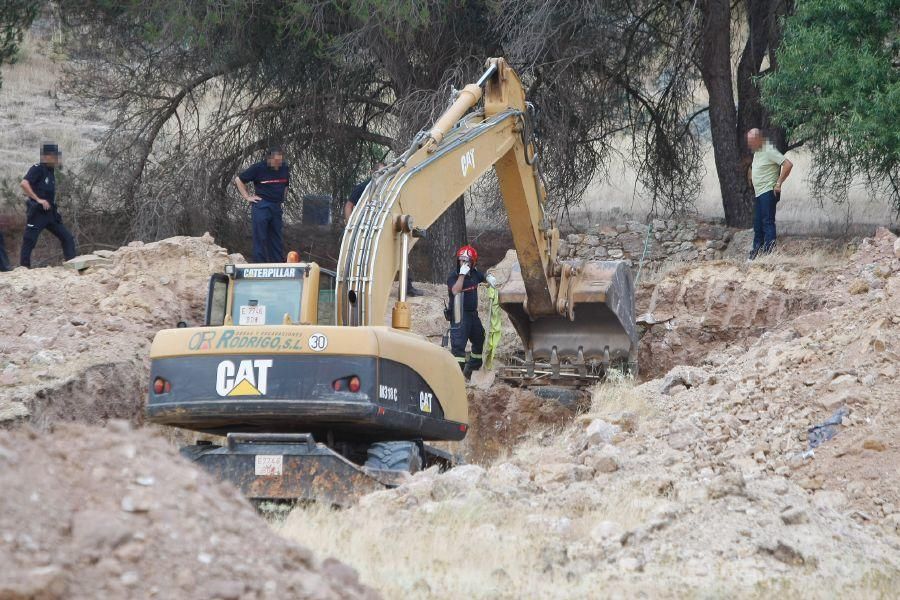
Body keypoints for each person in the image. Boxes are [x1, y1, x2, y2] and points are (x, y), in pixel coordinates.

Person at [346, 162, 422, 296]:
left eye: (386, 173)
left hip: (386, 228)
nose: (384, 176)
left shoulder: (390, 188)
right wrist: (351, 224)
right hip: (368, 230)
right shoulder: (364, 187)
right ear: (373, 173)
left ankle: (407, 287)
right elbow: (349, 205)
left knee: (401, 254)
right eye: (381, 172)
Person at [19, 143, 78, 268]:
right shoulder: (37, 168)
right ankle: (24, 270)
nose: (57, 159)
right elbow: (24, 183)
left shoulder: (51, 171)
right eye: (54, 156)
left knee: (67, 237)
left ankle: (73, 266)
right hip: (37, 213)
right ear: (46, 157)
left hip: (50, 213)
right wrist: (38, 199)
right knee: (29, 241)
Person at [447, 245, 497, 378]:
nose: (463, 263)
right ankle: (456, 378)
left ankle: (470, 372)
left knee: (480, 340)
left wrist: (489, 277)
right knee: (458, 348)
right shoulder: (454, 276)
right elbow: (455, 290)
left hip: (472, 315)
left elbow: (483, 276)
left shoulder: (474, 273)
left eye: (466, 261)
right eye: (461, 260)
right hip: (460, 316)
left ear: (473, 262)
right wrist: (462, 275)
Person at [234, 147, 289, 263]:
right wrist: (247, 197)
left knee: (276, 236)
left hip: (276, 206)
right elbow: (239, 180)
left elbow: (285, 185)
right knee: (260, 236)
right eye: (275, 161)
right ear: (269, 159)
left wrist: (282, 199)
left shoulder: (285, 168)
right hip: (262, 205)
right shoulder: (258, 168)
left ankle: (277, 264)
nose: (278, 163)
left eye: (280, 160)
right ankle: (259, 264)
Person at [746, 129, 793, 258]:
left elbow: (788, 164)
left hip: (768, 191)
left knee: (767, 222)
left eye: (751, 141)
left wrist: (778, 183)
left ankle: (769, 254)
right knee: (757, 223)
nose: (750, 144)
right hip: (759, 193)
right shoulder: (758, 151)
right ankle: (756, 253)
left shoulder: (769, 150)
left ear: (759, 139)